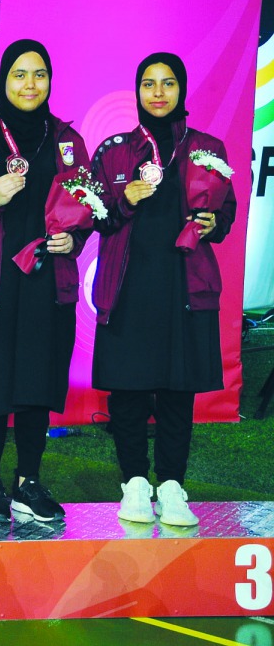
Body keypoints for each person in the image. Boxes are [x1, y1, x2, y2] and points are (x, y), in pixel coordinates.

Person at [90, 53, 235, 527]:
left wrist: (214, 223)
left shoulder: (207, 150)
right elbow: (94, 216)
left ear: (181, 90)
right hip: (128, 287)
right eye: (148, 84)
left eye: (167, 83)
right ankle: (134, 482)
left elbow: (226, 210)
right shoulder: (113, 152)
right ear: (136, 92)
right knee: (128, 392)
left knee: (178, 391)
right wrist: (122, 199)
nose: (157, 92)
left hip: (184, 287)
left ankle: (172, 485)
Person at [0, 40, 89, 522]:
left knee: (37, 383)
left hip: (47, 280)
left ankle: (28, 484)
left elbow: (87, 210)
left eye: (39, 75)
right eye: (19, 74)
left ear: (50, 81)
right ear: (3, 80)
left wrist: (73, 240)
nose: (29, 84)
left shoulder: (68, 141)